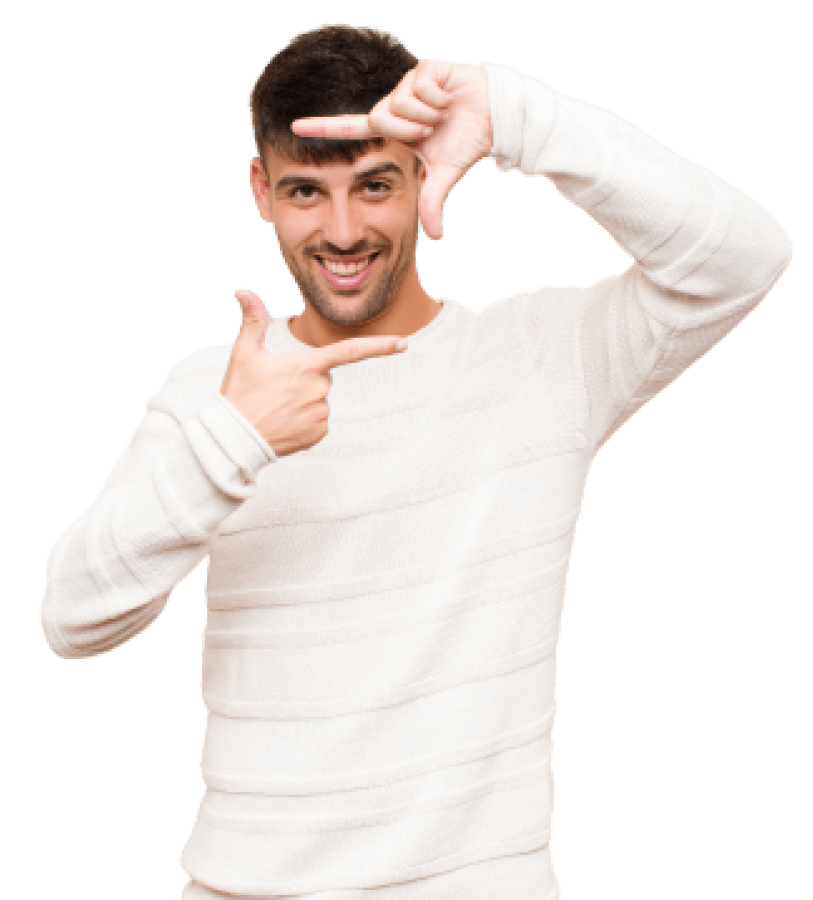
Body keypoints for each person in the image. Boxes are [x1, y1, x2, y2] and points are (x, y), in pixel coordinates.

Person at [39, 22, 793, 900]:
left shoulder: (543, 361)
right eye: (306, 191)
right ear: (260, 192)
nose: (343, 231)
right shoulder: (219, 389)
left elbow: (745, 259)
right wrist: (235, 442)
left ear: (424, 175)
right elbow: (73, 621)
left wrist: (513, 115)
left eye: (375, 184)